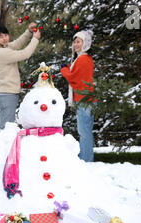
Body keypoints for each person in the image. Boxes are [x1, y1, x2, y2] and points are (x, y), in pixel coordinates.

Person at [0, 23, 41, 130]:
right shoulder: (1, 53)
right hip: (7, 94)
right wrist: (35, 39)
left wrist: (28, 32)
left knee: (7, 125)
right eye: (1, 36)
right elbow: (25, 54)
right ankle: (3, 146)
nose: (4, 38)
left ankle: (6, 145)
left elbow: (17, 44)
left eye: (6, 35)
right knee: (6, 127)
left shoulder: (5, 47)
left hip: (7, 93)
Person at [60, 30, 97, 162]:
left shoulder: (83, 59)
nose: (75, 45)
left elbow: (73, 77)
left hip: (84, 99)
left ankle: (86, 159)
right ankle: (86, 157)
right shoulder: (83, 58)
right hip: (86, 99)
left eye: (78, 42)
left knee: (84, 131)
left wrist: (64, 69)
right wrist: (69, 67)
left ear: (85, 43)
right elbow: (77, 72)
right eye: (74, 42)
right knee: (85, 130)